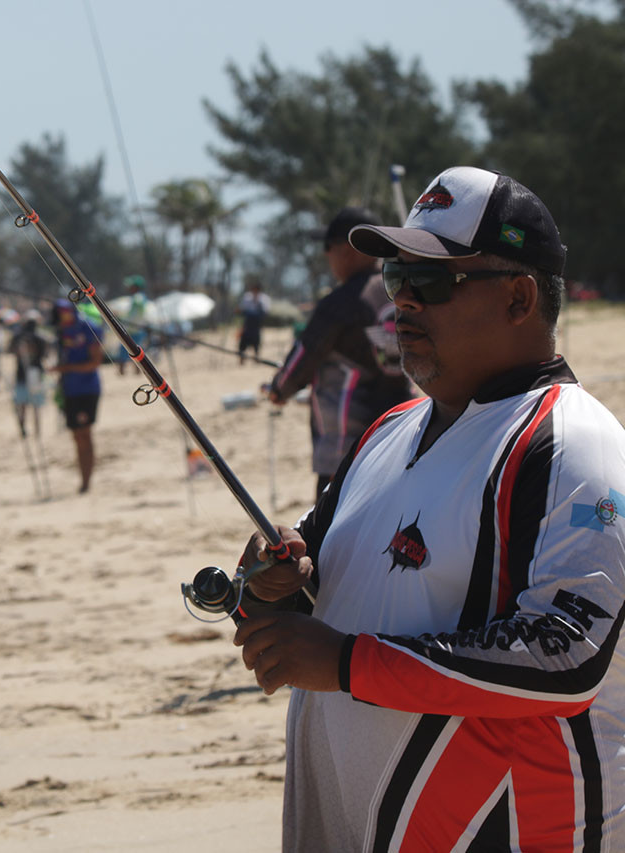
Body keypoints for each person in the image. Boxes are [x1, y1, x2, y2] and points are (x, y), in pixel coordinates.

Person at [232, 166, 625, 850]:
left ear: (519, 297)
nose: (402, 303)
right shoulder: (389, 429)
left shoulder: (573, 443)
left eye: (432, 282)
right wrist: (268, 588)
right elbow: (317, 580)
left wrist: (345, 663)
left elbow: (565, 657)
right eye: (394, 279)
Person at [267, 206, 413, 500]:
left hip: (346, 449)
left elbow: (302, 360)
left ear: (348, 250)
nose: (326, 256)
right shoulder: (400, 292)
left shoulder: (339, 303)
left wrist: (279, 390)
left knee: (329, 534)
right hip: (401, 433)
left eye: (328, 247)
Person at [51, 299, 102, 493]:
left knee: (85, 435)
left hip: (87, 389)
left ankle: (86, 483)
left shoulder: (89, 327)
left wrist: (65, 368)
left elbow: (95, 362)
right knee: (76, 436)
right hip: (68, 390)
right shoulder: (60, 332)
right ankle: (83, 481)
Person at [8, 309, 49, 437]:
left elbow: (44, 354)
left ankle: (35, 430)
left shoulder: (39, 337)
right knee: (24, 404)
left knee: (31, 404)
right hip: (24, 374)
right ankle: (27, 429)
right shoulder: (20, 337)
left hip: (34, 373)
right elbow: (11, 350)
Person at [117, 275, 150, 375]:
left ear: (136, 287)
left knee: (130, 351)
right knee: (135, 351)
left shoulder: (138, 298)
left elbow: (136, 311)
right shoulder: (139, 298)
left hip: (135, 329)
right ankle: (133, 372)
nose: (129, 288)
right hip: (134, 329)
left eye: (131, 286)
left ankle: (128, 372)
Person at [237, 279, 272, 365]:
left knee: (256, 341)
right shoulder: (247, 297)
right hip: (248, 322)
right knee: (243, 341)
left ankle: (256, 357)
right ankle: (242, 357)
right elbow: (242, 309)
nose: (254, 291)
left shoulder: (264, 298)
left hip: (257, 323)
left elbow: (265, 311)